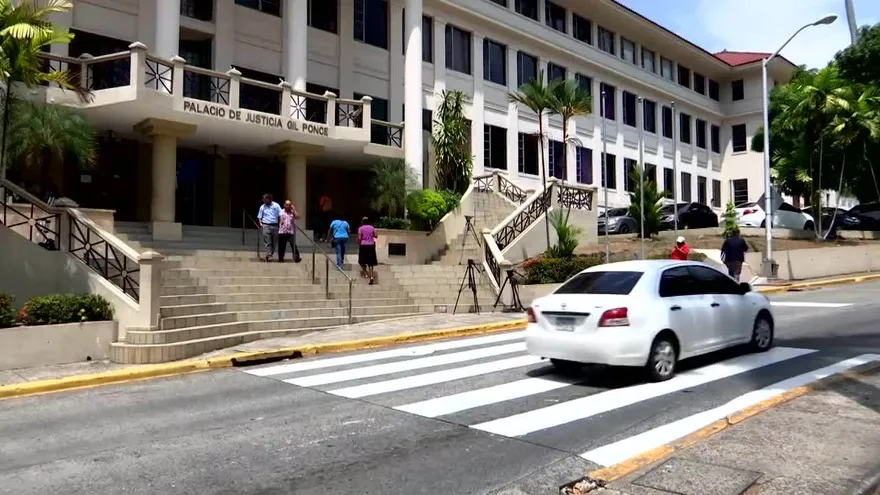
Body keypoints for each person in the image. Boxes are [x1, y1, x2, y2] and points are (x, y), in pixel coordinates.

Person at [257, 193, 282, 262]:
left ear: (269, 199)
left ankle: (270, 253)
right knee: (267, 241)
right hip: (266, 225)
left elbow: (280, 215)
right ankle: (269, 255)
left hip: (275, 225)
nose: (264, 201)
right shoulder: (262, 207)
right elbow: (259, 216)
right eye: (263, 200)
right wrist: (260, 223)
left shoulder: (276, 205)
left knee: (274, 242)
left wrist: (280, 223)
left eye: (265, 199)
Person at [357, 216, 378, 285]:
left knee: (362, 261)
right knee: (370, 262)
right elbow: (376, 236)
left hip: (363, 245)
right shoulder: (372, 228)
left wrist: (358, 241)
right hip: (371, 246)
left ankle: (365, 273)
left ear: (362, 221)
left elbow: (359, 238)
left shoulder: (360, 228)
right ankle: (371, 277)